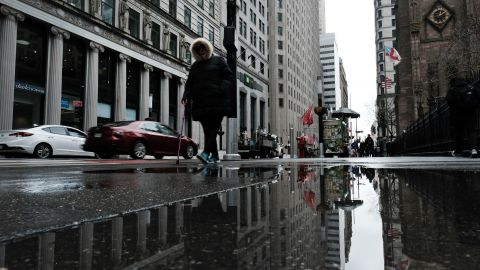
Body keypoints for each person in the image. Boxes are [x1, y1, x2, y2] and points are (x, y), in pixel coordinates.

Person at [182, 37, 234, 164]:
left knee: (213, 130)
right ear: (195, 51)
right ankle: (215, 156)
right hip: (201, 104)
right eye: (198, 49)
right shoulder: (195, 66)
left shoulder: (218, 61)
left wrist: (221, 90)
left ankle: (206, 153)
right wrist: (186, 96)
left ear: (207, 48)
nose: (201, 51)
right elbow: (189, 83)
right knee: (208, 131)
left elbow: (228, 76)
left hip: (217, 103)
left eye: (203, 48)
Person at [446, 77, 479, 158]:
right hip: (470, 113)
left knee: (458, 132)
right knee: (471, 131)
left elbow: (449, 101)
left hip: (457, 114)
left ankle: (458, 151)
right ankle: (474, 149)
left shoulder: (452, 89)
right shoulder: (471, 87)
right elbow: (478, 97)